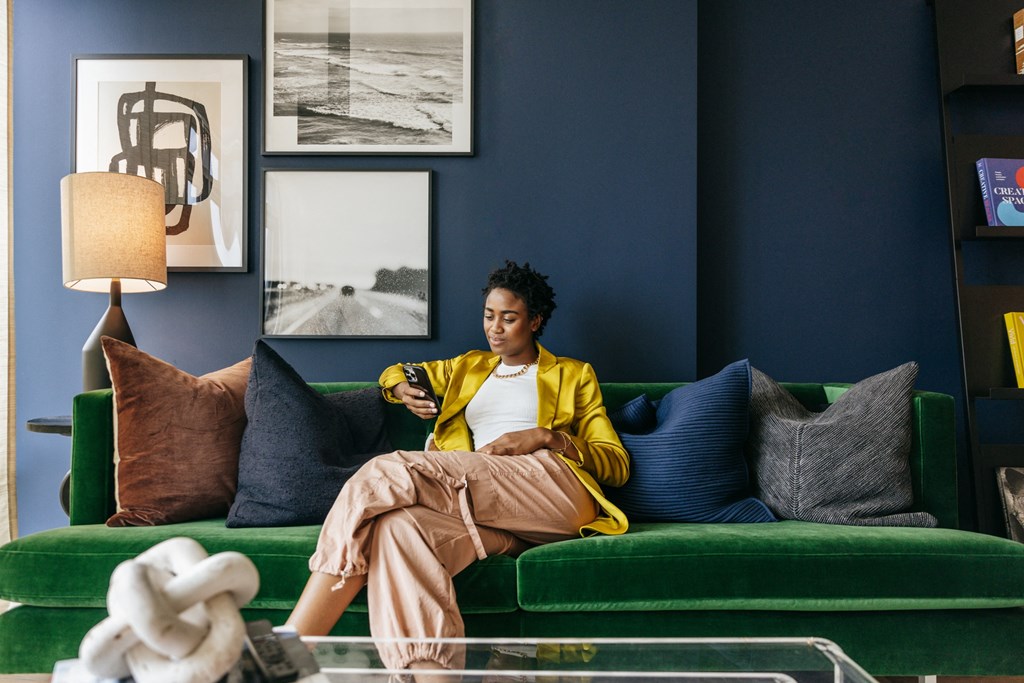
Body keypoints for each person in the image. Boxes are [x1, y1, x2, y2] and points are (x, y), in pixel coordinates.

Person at [286, 260, 630, 674]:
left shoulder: (573, 374)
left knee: (383, 472)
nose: (495, 328)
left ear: (535, 321)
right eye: (489, 316)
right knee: (398, 530)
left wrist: (544, 437)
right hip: (486, 510)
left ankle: (291, 645)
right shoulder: (468, 367)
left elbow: (615, 464)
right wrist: (400, 389)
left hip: (550, 490)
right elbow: (396, 371)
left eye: (509, 318)